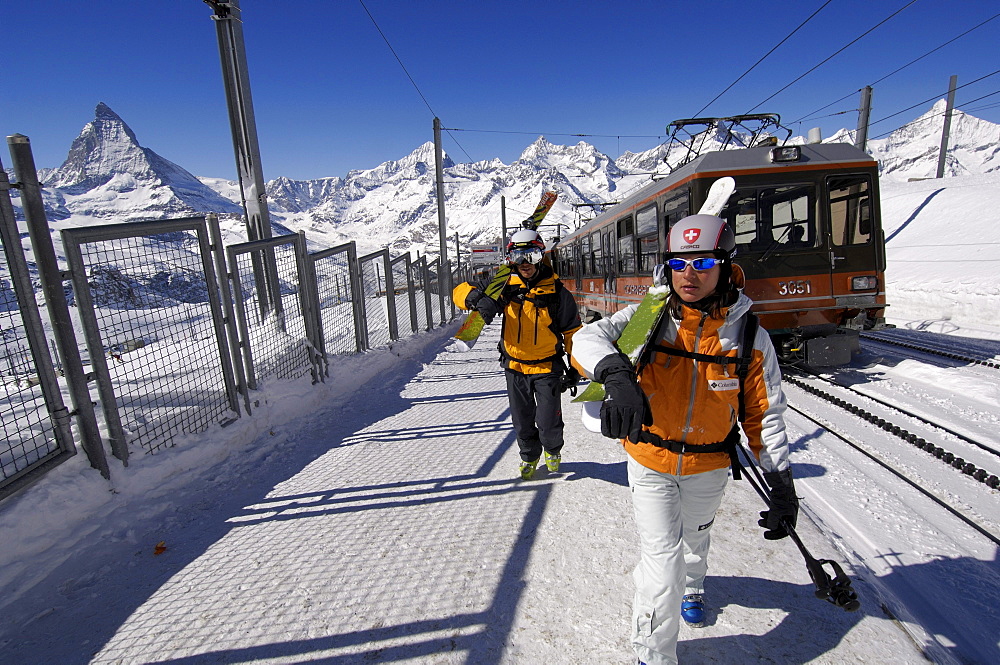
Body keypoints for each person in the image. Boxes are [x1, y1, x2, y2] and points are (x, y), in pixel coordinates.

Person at [570, 214, 798, 665]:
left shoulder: (749, 336)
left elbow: (763, 414)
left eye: (702, 262)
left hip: (709, 464)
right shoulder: (650, 319)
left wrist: (782, 482)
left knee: (695, 538)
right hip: (650, 458)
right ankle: (653, 656)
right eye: (678, 263)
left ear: (726, 266)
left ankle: (695, 586)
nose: (688, 274)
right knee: (661, 563)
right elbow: (587, 338)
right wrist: (614, 373)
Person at [453, 228, 583, 480]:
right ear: (510, 259)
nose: (525, 264)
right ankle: (529, 456)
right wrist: (476, 299)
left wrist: (576, 368)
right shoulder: (502, 286)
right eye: (519, 257)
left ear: (542, 257)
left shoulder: (557, 293)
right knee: (522, 421)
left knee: (548, 422)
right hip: (515, 366)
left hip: (547, 367)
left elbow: (572, 333)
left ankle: (552, 450)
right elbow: (459, 291)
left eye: (532, 256)